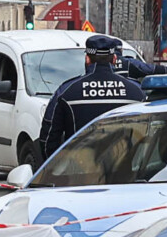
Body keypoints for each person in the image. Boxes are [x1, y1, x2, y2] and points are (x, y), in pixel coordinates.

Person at [37, 34, 145, 164]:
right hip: (124, 173)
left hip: (79, 173)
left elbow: (49, 138)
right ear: (115, 59)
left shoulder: (66, 91)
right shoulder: (137, 92)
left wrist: (55, 169)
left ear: (87, 59)